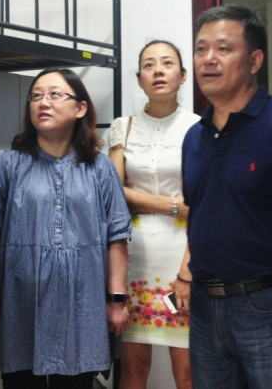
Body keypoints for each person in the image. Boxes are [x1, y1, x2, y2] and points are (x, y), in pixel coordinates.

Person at [0, 68, 131, 389]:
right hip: (19, 301)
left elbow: (117, 237)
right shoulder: (7, 165)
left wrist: (117, 300)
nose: (43, 102)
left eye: (54, 94)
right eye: (36, 96)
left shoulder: (101, 168)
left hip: (83, 303)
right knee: (20, 379)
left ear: (80, 108)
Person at [172, 4, 272, 388]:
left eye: (223, 48)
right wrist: (185, 275)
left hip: (268, 303)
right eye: (201, 49)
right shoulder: (194, 137)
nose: (208, 59)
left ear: (255, 60)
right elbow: (199, 215)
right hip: (205, 305)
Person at [109, 40, 198, 389]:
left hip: (183, 258)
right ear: (139, 79)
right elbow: (114, 193)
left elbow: (202, 201)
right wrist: (173, 205)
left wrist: (187, 273)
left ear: (183, 74)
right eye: (148, 65)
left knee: (187, 372)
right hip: (134, 257)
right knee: (133, 369)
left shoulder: (199, 128)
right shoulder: (123, 127)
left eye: (167, 63)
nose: (158, 70)